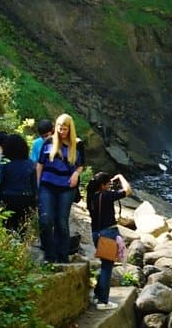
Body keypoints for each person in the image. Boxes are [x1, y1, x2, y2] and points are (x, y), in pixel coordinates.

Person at [36, 113, 84, 263]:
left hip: (66, 187)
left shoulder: (78, 144)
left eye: (65, 129)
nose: (62, 132)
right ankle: (49, 256)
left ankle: (63, 257)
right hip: (47, 185)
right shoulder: (49, 142)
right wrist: (37, 186)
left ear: (70, 129)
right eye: (60, 128)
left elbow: (81, 164)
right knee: (45, 220)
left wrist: (76, 173)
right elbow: (40, 165)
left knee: (61, 222)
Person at [87, 171, 132, 309]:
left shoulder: (91, 197)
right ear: (102, 185)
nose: (109, 186)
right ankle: (103, 302)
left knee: (104, 266)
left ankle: (97, 295)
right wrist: (121, 177)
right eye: (108, 184)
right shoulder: (106, 195)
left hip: (96, 234)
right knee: (107, 268)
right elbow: (128, 190)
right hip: (108, 233)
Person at [0, 133, 37, 235]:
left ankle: (9, 248)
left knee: (7, 227)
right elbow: (34, 185)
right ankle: (20, 246)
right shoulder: (30, 163)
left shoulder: (4, 163)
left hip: (7, 198)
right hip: (26, 198)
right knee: (22, 228)